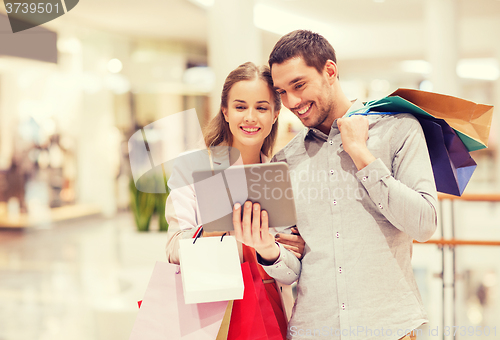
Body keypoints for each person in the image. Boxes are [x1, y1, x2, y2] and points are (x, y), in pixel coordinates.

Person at [232, 30, 438, 340]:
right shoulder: (286, 159)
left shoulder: (398, 130)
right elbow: (293, 270)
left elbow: (424, 224)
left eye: (299, 85)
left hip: (388, 329)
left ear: (330, 71)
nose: (293, 102)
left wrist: (362, 155)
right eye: (282, 92)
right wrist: (267, 249)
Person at [165, 61, 306, 340]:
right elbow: (172, 250)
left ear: (276, 114)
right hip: (209, 314)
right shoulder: (191, 168)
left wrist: (269, 249)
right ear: (225, 111)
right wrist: (213, 228)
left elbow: (292, 271)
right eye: (241, 107)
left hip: (272, 314)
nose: (250, 117)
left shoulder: (285, 173)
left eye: (262, 107)